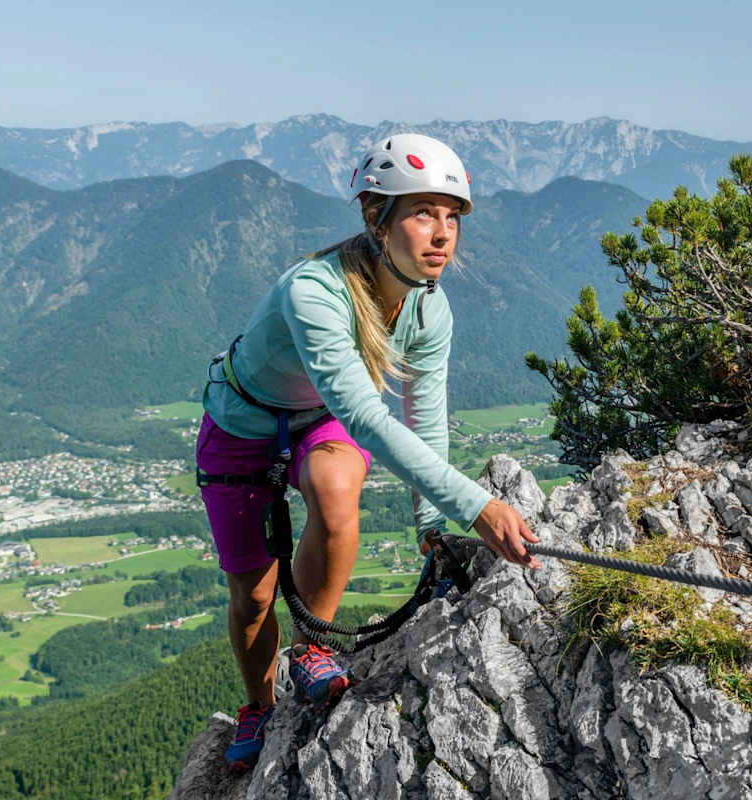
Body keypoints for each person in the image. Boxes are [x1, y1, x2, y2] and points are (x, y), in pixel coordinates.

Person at [194, 133, 541, 772]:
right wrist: (476, 507)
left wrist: (434, 530)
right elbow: (364, 413)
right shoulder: (315, 290)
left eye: (451, 216)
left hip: (317, 422)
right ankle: (257, 704)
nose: (441, 233)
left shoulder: (428, 313)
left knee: (335, 491)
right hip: (241, 424)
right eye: (421, 213)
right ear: (375, 218)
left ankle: (312, 648)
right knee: (252, 595)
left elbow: (424, 417)